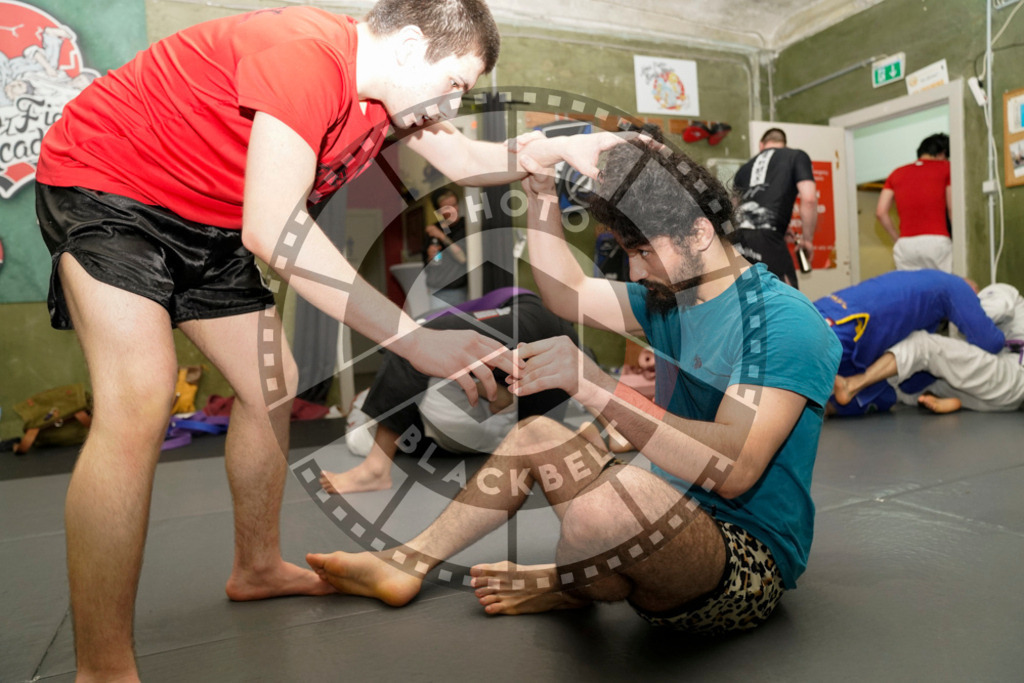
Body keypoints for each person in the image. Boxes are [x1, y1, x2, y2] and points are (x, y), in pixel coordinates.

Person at [33, 2, 624, 679]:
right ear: (408, 47)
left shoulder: (388, 100)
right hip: (110, 185)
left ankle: (255, 567)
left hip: (212, 221)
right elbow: (274, 228)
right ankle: (102, 668)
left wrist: (561, 149)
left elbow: (466, 157)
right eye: (458, 83)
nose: (458, 100)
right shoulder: (307, 53)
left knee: (270, 383)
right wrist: (414, 340)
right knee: (139, 398)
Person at [307, 134, 842, 635]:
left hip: (743, 556)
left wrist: (595, 386)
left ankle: (566, 585)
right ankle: (409, 562)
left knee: (604, 509)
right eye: (629, 252)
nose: (636, 272)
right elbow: (567, 293)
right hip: (661, 510)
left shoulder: (781, 321)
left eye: (644, 251)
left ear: (699, 232)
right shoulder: (671, 297)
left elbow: (736, 468)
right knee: (538, 436)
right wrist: (539, 193)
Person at [320, 289, 584, 494]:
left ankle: (375, 470)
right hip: (555, 359)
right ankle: (586, 437)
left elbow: (415, 350)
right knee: (537, 441)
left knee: (409, 345)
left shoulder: (429, 319)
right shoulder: (471, 321)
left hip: (532, 316)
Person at [814, 270, 1005, 416]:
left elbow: (912, 382)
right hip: (851, 325)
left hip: (828, 310)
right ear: (973, 291)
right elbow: (990, 342)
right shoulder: (955, 286)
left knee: (883, 396)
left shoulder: (923, 286)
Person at [732, 127, 817, 288]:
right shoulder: (796, 156)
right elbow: (809, 199)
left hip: (738, 241)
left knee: (752, 298)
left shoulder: (743, 169)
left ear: (761, 145)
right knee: (788, 297)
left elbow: (734, 208)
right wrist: (807, 240)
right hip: (769, 239)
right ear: (783, 144)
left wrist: (780, 226)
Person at [875, 133, 952, 272]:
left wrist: (897, 239)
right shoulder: (947, 168)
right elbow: (953, 208)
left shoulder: (896, 173)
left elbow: (881, 212)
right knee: (944, 289)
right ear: (942, 153)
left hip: (906, 244)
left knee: (910, 291)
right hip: (937, 240)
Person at [423, 187, 469, 307]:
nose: (453, 210)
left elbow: (463, 257)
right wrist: (430, 257)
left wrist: (441, 236)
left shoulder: (466, 226)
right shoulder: (432, 230)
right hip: (436, 291)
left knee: (460, 325)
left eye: (454, 205)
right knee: (437, 325)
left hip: (458, 291)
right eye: (447, 208)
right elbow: (426, 267)